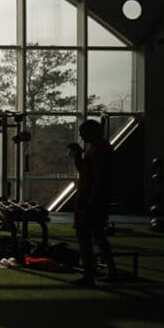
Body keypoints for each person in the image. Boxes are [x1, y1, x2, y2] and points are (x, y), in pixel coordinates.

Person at [68, 120, 117, 286]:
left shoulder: (99, 150)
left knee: (85, 238)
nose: (81, 134)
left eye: (83, 131)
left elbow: (96, 178)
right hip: (93, 198)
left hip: (91, 199)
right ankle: (110, 272)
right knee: (97, 235)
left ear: (91, 132)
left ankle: (89, 276)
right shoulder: (98, 148)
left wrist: (90, 203)